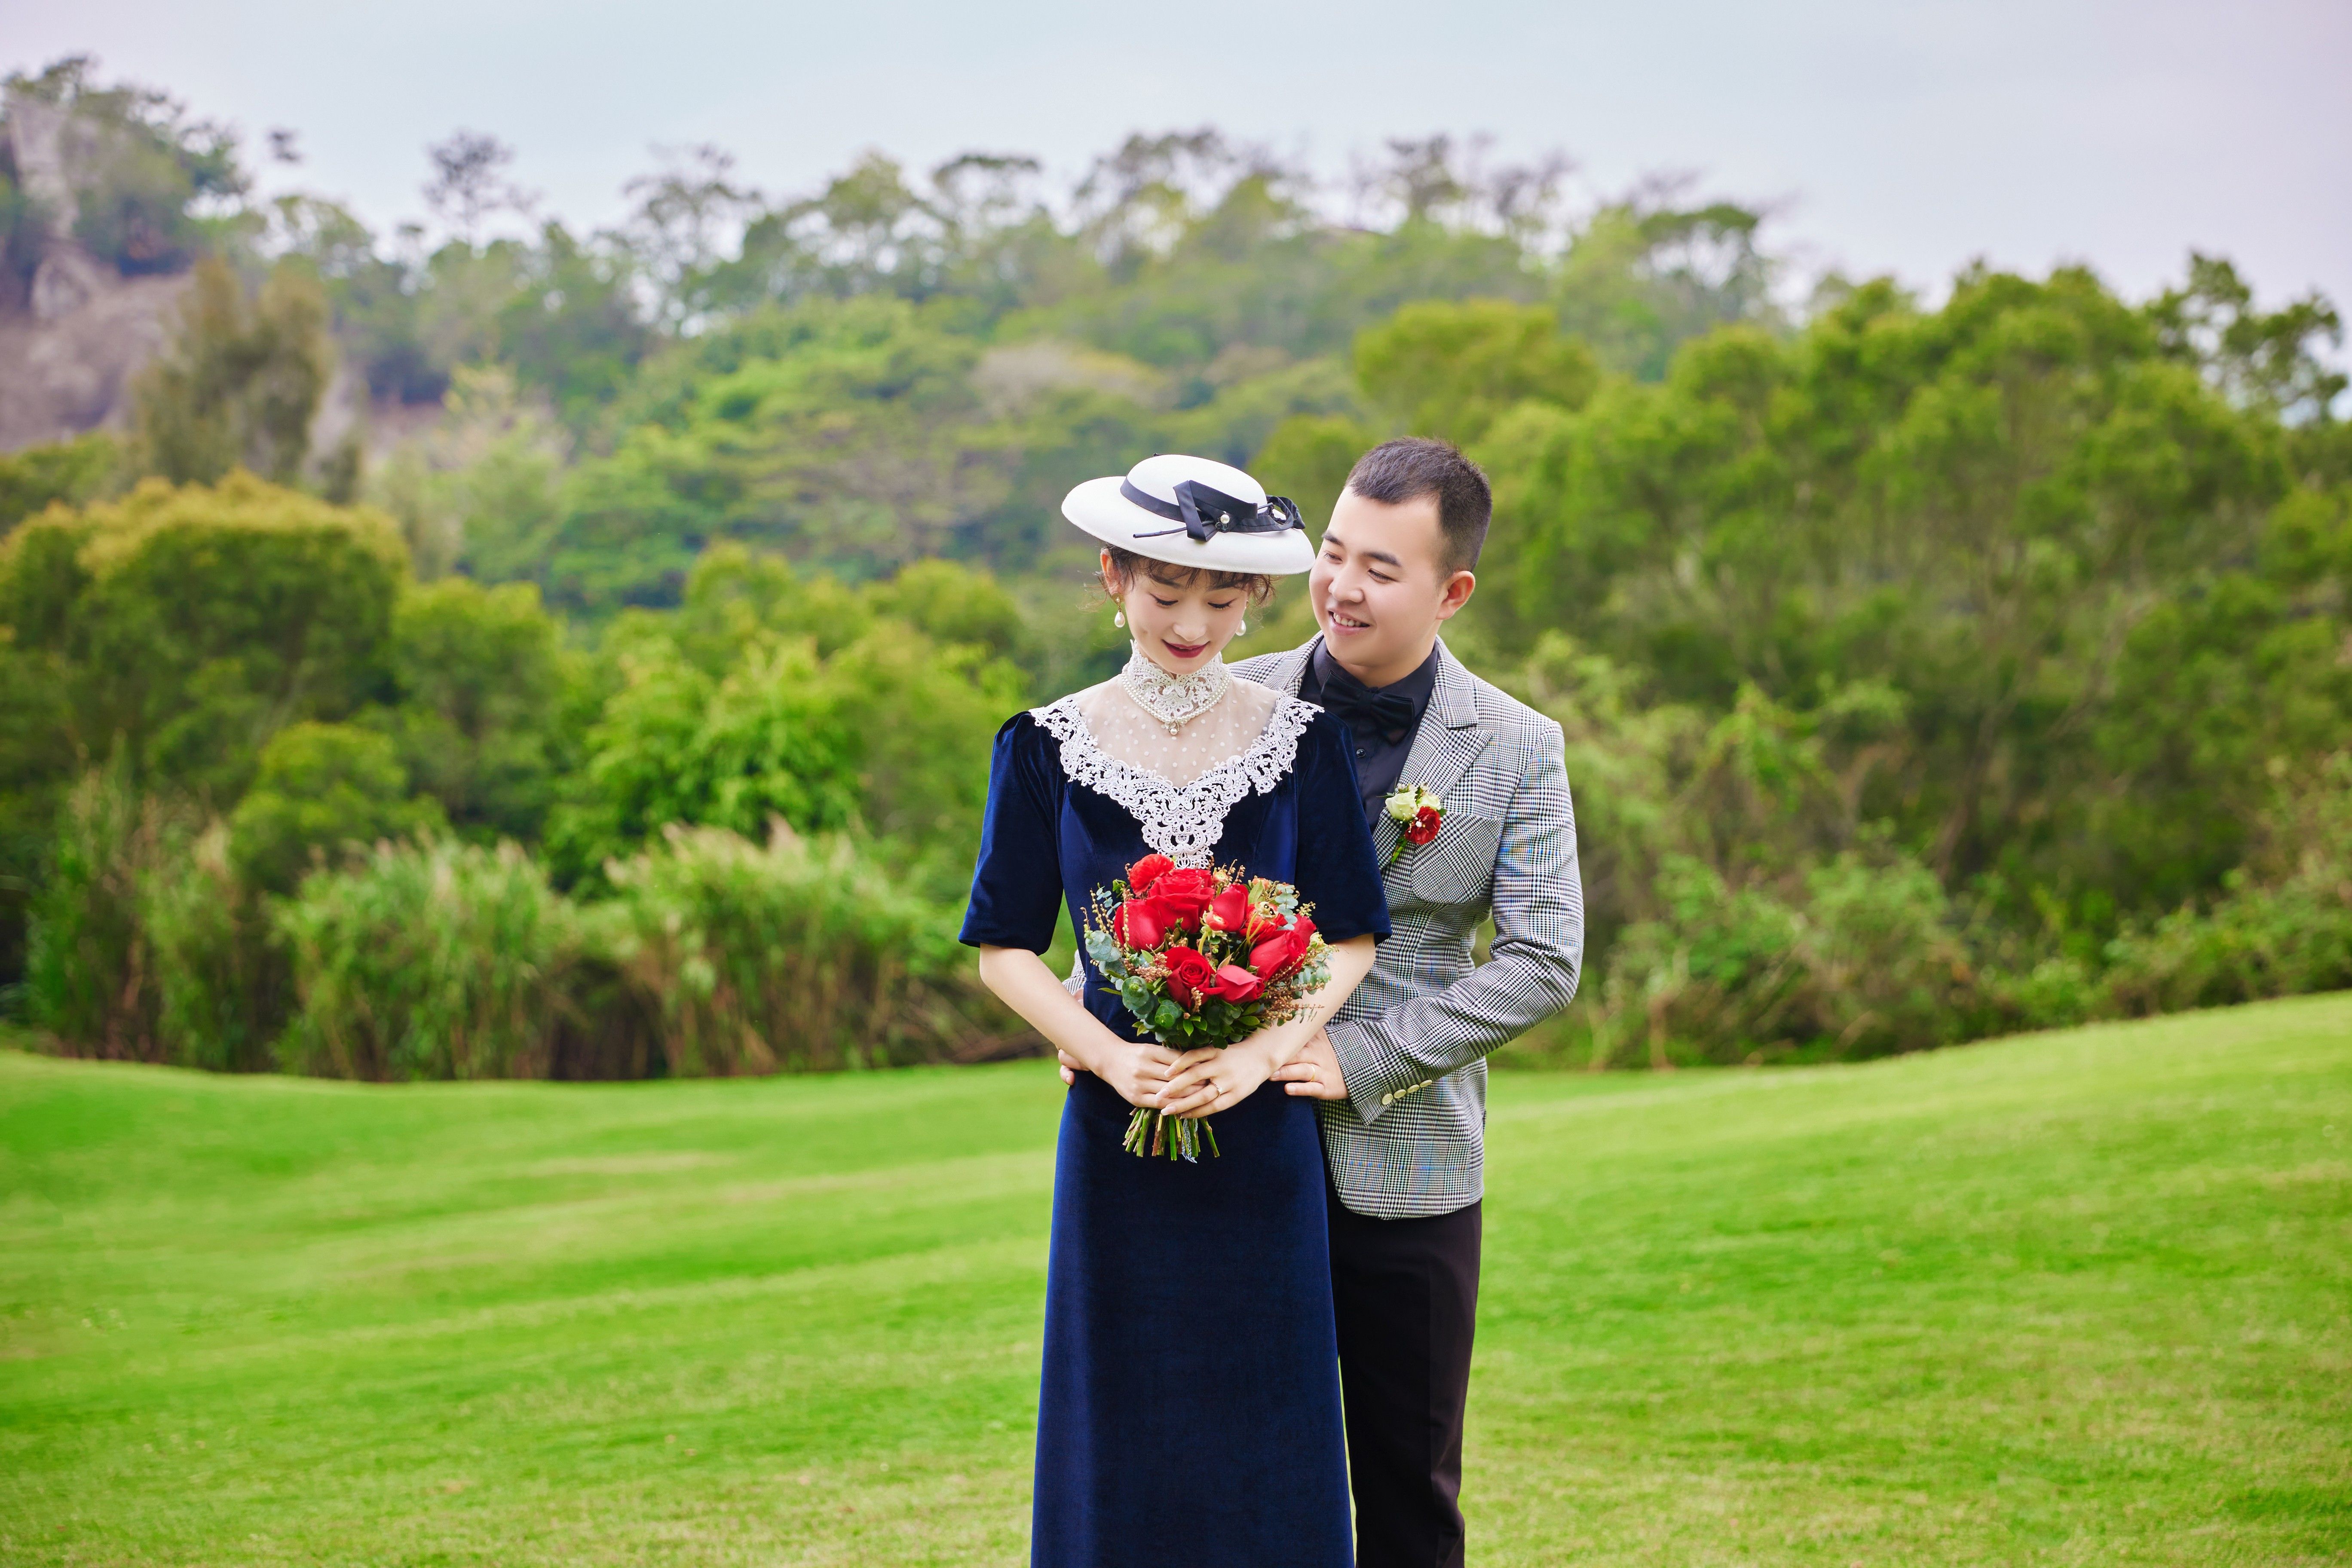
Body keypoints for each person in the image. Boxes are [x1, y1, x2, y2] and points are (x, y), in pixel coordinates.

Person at [962, 453, 1393, 1567]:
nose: (1192, 622)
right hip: (1117, 1145)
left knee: (1270, 1413)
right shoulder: (1043, 747)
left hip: (1263, 1142)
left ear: (1255, 596)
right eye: (1165, 595)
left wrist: (1261, 1055)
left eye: (1219, 597)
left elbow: (1348, 938)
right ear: (1112, 578)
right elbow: (1005, 951)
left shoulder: (1306, 745)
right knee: (1123, 1419)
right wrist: (1107, 1058)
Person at [1252, 437, 1584, 1568]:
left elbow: (1544, 957)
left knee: (1407, 1487)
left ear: (1453, 593)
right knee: (1233, 1468)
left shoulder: (1520, 749)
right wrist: (1090, 1019)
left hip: (1416, 1165)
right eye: (1333, 553)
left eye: (1380, 570)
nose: (1341, 586)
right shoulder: (1226, 706)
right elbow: (1131, 889)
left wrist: (1369, 1057)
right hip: (1231, 1147)